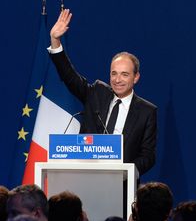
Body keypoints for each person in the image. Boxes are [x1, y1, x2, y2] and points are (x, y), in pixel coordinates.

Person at [48, 9, 157, 176]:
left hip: (122, 184)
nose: (117, 79)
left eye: (124, 74)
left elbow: (148, 156)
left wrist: (125, 171)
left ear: (136, 78)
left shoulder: (147, 111)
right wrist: (55, 41)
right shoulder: (97, 93)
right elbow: (69, 76)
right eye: (114, 73)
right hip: (84, 177)